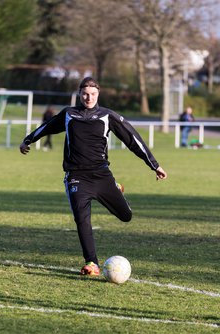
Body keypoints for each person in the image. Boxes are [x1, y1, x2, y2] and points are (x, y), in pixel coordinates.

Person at [19, 77, 167, 276]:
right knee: (82, 219)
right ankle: (92, 263)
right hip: (76, 176)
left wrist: (154, 165)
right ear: (80, 94)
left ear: (98, 94)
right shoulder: (69, 114)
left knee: (126, 216)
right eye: (85, 94)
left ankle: (115, 187)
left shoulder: (107, 116)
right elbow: (48, 127)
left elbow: (133, 139)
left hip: (101, 175)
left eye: (93, 94)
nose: (89, 98)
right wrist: (28, 140)